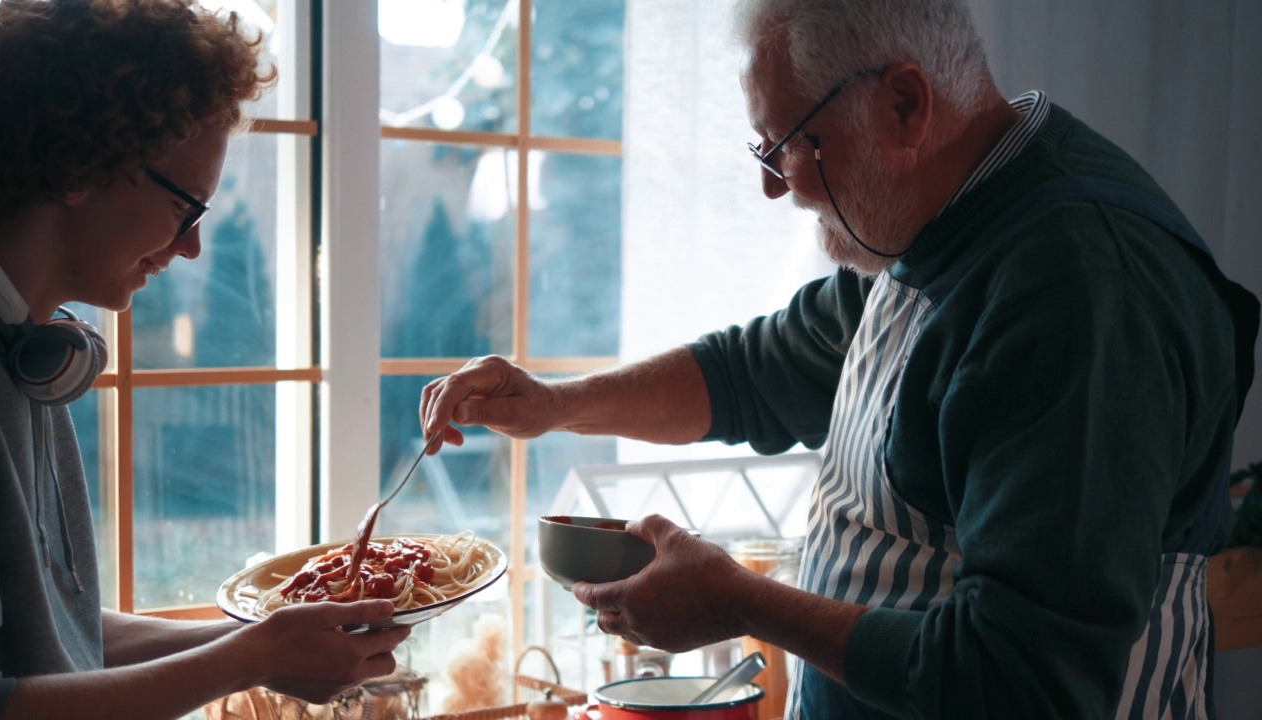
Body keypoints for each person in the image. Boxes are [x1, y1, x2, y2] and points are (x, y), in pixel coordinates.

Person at [420, 0, 1261, 718]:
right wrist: (556, 404)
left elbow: (1024, 680)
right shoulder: (946, 213)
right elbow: (758, 373)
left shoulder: (1078, 293)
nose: (774, 186)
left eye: (788, 143)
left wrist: (738, 601)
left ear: (903, 105)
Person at [0, 1, 410, 718]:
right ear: (85, 163)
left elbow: (60, 633)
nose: (191, 248)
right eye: (189, 208)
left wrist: (259, 641)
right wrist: (251, 657)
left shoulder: (28, 349)